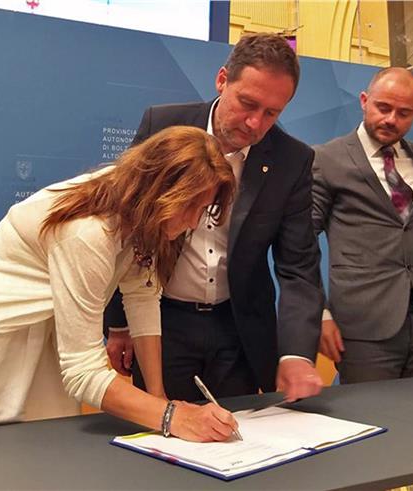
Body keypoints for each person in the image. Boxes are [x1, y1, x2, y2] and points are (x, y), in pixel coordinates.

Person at [0, 126, 239, 442]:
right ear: (160, 190)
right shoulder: (88, 232)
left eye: (202, 209)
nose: (193, 222)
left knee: (35, 451)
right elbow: (84, 371)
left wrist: (160, 400)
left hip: (43, 322)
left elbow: (142, 297)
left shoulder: (141, 208)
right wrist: (171, 417)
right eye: (189, 206)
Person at [105, 33, 324, 403]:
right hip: (161, 319)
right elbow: (124, 226)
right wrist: (118, 323)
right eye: (247, 103)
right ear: (222, 80)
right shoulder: (164, 126)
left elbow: (299, 266)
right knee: (163, 426)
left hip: (238, 330)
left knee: (237, 430)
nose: (254, 123)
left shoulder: (292, 160)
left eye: (271, 113)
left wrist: (296, 354)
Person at [312, 67, 413, 491]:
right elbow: (300, 242)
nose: (391, 119)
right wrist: (319, 311)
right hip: (364, 322)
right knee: (370, 432)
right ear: (364, 101)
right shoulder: (327, 159)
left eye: (404, 112)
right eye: (383, 107)